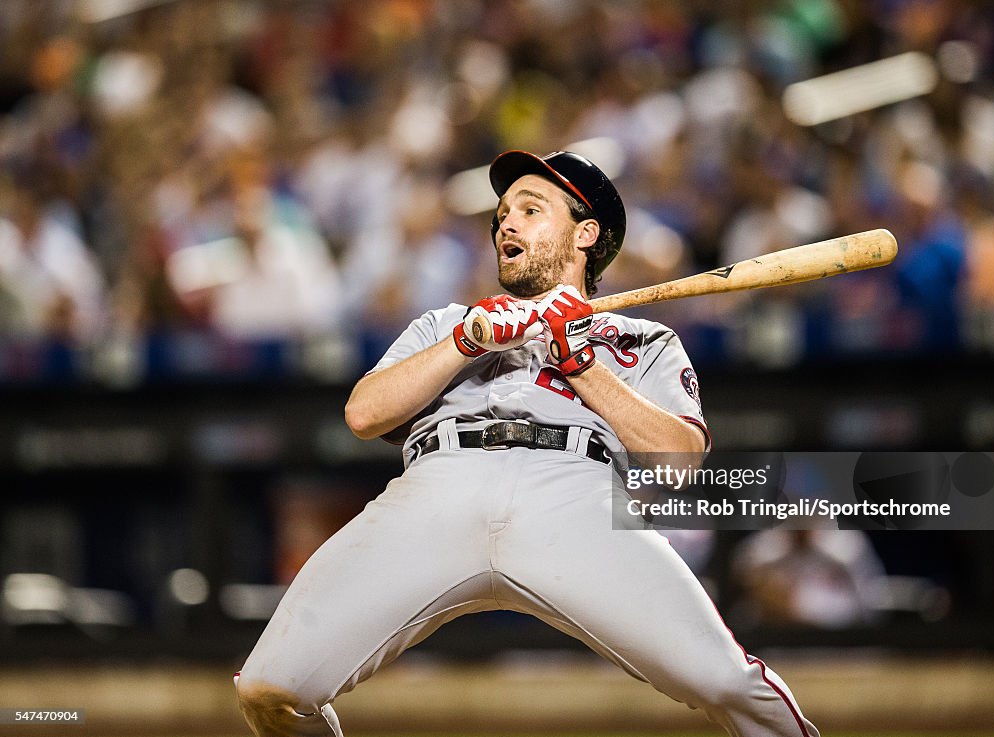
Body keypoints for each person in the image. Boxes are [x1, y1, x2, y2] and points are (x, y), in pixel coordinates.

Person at [233, 150, 819, 737]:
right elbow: (363, 414)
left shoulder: (641, 337)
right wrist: (468, 339)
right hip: (440, 485)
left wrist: (582, 364)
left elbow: (681, 462)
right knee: (271, 687)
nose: (505, 225)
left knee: (723, 681)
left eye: (530, 210)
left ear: (585, 233)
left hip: (576, 496)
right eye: (501, 215)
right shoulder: (447, 324)